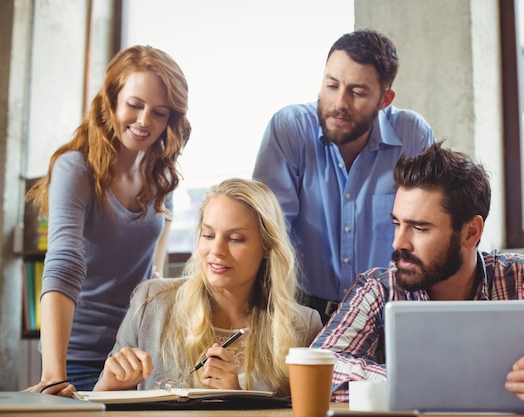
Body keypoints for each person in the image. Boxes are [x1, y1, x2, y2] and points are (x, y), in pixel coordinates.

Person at [310, 142, 524, 414]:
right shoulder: (377, 288)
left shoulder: (521, 276)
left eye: (420, 228)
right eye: (397, 224)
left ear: (470, 232)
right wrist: (422, 381)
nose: (398, 243)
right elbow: (320, 365)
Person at [24, 45, 191, 395]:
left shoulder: (163, 179)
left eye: (159, 113)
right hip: (78, 359)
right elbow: (64, 264)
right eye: (134, 105)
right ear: (111, 99)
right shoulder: (76, 169)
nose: (145, 121)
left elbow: (153, 278)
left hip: (138, 358)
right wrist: (54, 375)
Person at [252, 29, 436, 324]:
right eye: (331, 85)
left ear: (384, 99)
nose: (339, 102)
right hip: (302, 316)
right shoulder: (290, 130)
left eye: (357, 92)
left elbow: (430, 232)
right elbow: (268, 231)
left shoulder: (412, 135)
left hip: (387, 317)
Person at [94, 178, 323, 396]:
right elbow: (99, 406)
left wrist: (235, 400)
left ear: (266, 247)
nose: (217, 250)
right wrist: (108, 388)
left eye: (235, 238)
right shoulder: (152, 302)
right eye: (209, 235)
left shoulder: (302, 327)